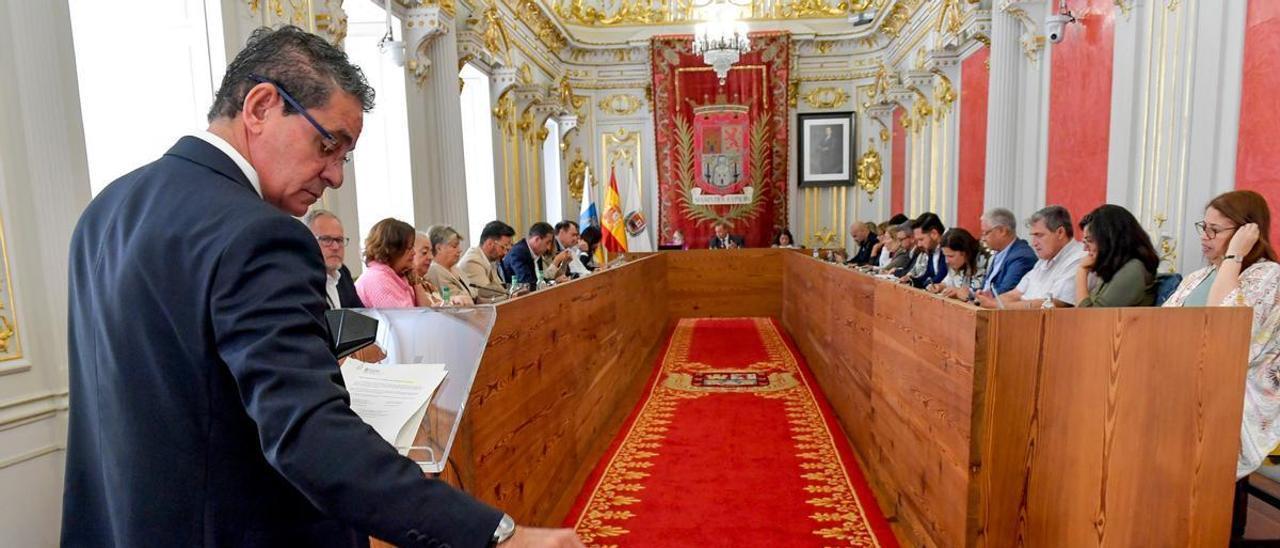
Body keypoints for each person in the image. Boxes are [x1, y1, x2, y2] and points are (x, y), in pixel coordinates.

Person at [64, 25, 580, 547]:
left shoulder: (106, 209)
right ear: (261, 106)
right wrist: (496, 535)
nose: (335, 176)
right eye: (328, 145)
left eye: (345, 157)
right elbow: (310, 438)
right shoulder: (259, 234)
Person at [1162, 191, 1280, 486]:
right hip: (1190, 378)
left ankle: (1196, 511)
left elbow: (1224, 329)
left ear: (1246, 232)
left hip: (1240, 389)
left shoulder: (1268, 275)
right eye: (1204, 227)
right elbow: (1162, 325)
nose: (1205, 236)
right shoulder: (1197, 277)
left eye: (1215, 230)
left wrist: (1235, 255)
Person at [977, 205, 1086, 309]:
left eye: (1039, 235)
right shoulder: (1044, 260)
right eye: (1033, 236)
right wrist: (992, 301)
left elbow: (1053, 304)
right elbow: (1015, 294)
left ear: (1060, 232)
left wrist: (997, 306)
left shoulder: (1078, 258)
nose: (1034, 243)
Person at [1074, 204, 1158, 307]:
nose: (1085, 249)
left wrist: (1081, 271)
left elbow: (1090, 318)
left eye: (1090, 241)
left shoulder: (1132, 270)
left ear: (1110, 239)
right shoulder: (1115, 268)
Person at [355, 218, 430, 308]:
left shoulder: (400, 275)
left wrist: (415, 281)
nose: (414, 253)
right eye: (409, 248)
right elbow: (403, 319)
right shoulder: (377, 279)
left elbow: (426, 310)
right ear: (393, 250)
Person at [304, 208, 362, 308]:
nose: (335, 247)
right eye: (326, 239)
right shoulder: (301, 281)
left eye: (339, 240)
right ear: (308, 241)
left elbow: (360, 314)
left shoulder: (343, 273)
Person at [977, 207, 1037, 295]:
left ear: (1002, 231)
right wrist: (970, 293)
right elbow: (986, 286)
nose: (983, 238)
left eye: (986, 233)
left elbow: (1006, 292)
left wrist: (976, 296)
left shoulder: (1022, 257)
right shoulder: (999, 252)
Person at [929, 228, 988, 301]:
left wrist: (959, 292)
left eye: (951, 256)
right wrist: (939, 286)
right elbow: (949, 281)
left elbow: (979, 293)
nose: (947, 261)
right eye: (945, 256)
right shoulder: (957, 263)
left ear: (964, 253)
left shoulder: (983, 260)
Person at [458, 220, 515, 295]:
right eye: (503, 247)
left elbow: (500, 288)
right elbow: (488, 294)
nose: (505, 253)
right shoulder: (472, 261)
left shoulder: (490, 260)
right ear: (490, 243)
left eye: (508, 249)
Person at [425, 225, 477, 305]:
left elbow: (474, 294)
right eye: (454, 246)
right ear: (439, 248)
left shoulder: (456, 269)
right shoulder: (435, 270)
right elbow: (458, 301)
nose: (460, 250)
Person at [502, 222, 557, 289]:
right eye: (547, 242)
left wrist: (554, 282)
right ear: (537, 239)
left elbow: (538, 280)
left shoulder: (536, 252)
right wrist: (552, 283)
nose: (549, 247)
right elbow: (527, 282)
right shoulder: (519, 252)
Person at [907, 212, 947, 289]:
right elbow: (929, 274)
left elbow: (941, 276)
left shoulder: (948, 246)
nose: (919, 244)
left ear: (934, 234)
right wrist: (911, 281)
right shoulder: (932, 248)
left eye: (921, 239)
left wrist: (926, 284)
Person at [407, 230, 445, 307]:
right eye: (424, 252)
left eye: (431, 252)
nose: (431, 257)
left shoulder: (427, 283)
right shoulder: (407, 284)